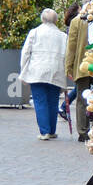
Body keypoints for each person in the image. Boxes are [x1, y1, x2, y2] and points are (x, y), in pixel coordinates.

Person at [20, 8, 67, 140]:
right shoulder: (62, 36)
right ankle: (52, 130)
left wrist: (24, 69)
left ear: (42, 19)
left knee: (40, 101)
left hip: (37, 70)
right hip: (56, 70)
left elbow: (25, 53)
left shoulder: (34, 32)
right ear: (56, 20)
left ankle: (44, 131)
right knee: (53, 101)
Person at [64, 1, 91, 142]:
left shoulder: (76, 21)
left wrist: (68, 67)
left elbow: (71, 47)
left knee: (82, 100)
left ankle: (83, 131)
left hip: (82, 66)